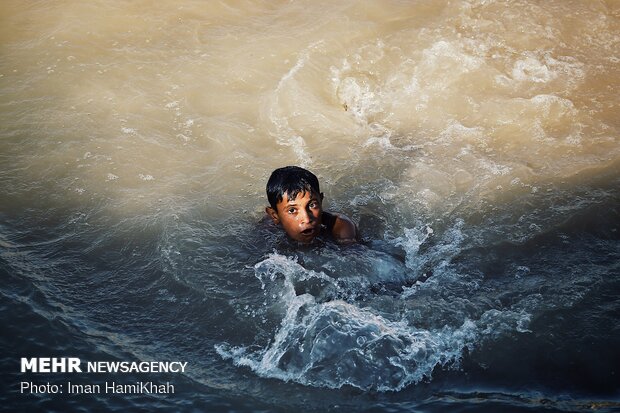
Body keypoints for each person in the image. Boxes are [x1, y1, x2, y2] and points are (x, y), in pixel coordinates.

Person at [265, 166, 358, 244]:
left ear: (321, 201)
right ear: (275, 215)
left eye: (312, 205)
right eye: (292, 210)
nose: (306, 219)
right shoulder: (267, 230)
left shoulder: (340, 227)